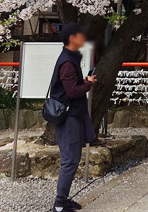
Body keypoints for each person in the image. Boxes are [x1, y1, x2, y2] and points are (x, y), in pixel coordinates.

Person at [50, 22, 97, 212]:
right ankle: (60, 204)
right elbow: (71, 91)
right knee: (69, 161)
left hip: (72, 115)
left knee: (72, 159)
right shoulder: (67, 62)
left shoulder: (70, 58)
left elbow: (71, 86)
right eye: (80, 35)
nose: (83, 39)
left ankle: (63, 200)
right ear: (72, 38)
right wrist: (88, 84)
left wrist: (84, 81)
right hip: (68, 117)